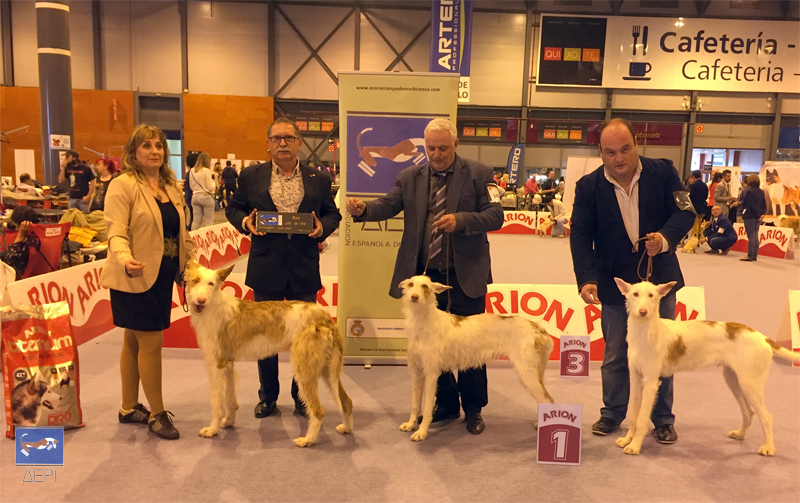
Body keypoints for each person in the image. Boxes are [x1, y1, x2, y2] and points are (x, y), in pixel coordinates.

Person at [345, 118, 504, 435]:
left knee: (472, 346)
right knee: (431, 347)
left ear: (455, 144)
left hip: (465, 275)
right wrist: (364, 210)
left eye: (443, 148)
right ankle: (445, 403)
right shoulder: (410, 176)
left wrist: (461, 220)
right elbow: (389, 205)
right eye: (431, 148)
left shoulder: (480, 174)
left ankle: (474, 409)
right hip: (425, 279)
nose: (436, 154)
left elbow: (495, 215)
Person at [569, 118, 694, 444]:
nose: (619, 158)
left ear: (636, 144)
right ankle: (612, 413)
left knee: (661, 354)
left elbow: (686, 212)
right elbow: (580, 235)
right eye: (610, 152)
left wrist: (664, 239)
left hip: (659, 282)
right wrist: (586, 278)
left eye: (625, 149)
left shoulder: (663, 171)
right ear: (600, 153)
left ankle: (662, 419)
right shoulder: (587, 186)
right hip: (616, 287)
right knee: (614, 354)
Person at [225, 117, 340, 419]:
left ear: (299, 143)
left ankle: (301, 394)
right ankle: (268, 396)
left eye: (289, 138)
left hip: (303, 267)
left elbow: (333, 214)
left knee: (305, 338)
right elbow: (233, 208)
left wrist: (321, 229)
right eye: (276, 138)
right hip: (266, 267)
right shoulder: (251, 176)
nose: (283, 144)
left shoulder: (319, 178)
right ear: (268, 144)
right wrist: (245, 222)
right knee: (265, 338)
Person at [99, 124, 195, 440]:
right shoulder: (122, 185)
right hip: (134, 274)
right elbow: (115, 231)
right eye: (146, 146)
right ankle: (157, 413)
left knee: (133, 339)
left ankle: (128, 407)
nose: (154, 151)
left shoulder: (171, 186)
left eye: (158, 145)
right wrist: (125, 258)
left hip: (164, 273)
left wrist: (190, 263)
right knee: (151, 343)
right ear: (133, 152)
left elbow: (182, 232)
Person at [0, 205, 40, 279]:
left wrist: (21, 235)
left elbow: (9, 260)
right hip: (41, 274)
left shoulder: (24, 246)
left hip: (20, 277)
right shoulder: (40, 237)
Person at [739, 174, 767, 262]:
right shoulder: (761, 191)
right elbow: (764, 204)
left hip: (750, 216)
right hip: (758, 217)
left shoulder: (748, 191)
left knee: (751, 236)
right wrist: (761, 214)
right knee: (755, 235)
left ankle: (750, 255)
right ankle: (754, 255)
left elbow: (749, 205)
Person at [188, 153, 216, 230]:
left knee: (196, 221)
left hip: (195, 197)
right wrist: (214, 184)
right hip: (206, 197)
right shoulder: (207, 171)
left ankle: (194, 236)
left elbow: (191, 186)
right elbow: (210, 188)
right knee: (209, 221)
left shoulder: (192, 170)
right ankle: (208, 236)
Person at [688, 169, 709, 238]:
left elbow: (691, 197)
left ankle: (694, 238)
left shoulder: (693, 185)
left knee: (695, 224)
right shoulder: (705, 185)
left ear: (693, 177)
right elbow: (706, 196)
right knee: (700, 223)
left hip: (695, 207)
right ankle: (699, 238)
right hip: (703, 207)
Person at [183, 152, 199, 230]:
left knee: (193, 217)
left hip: (189, 196)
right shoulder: (193, 173)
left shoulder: (189, 173)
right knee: (194, 218)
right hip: (192, 197)